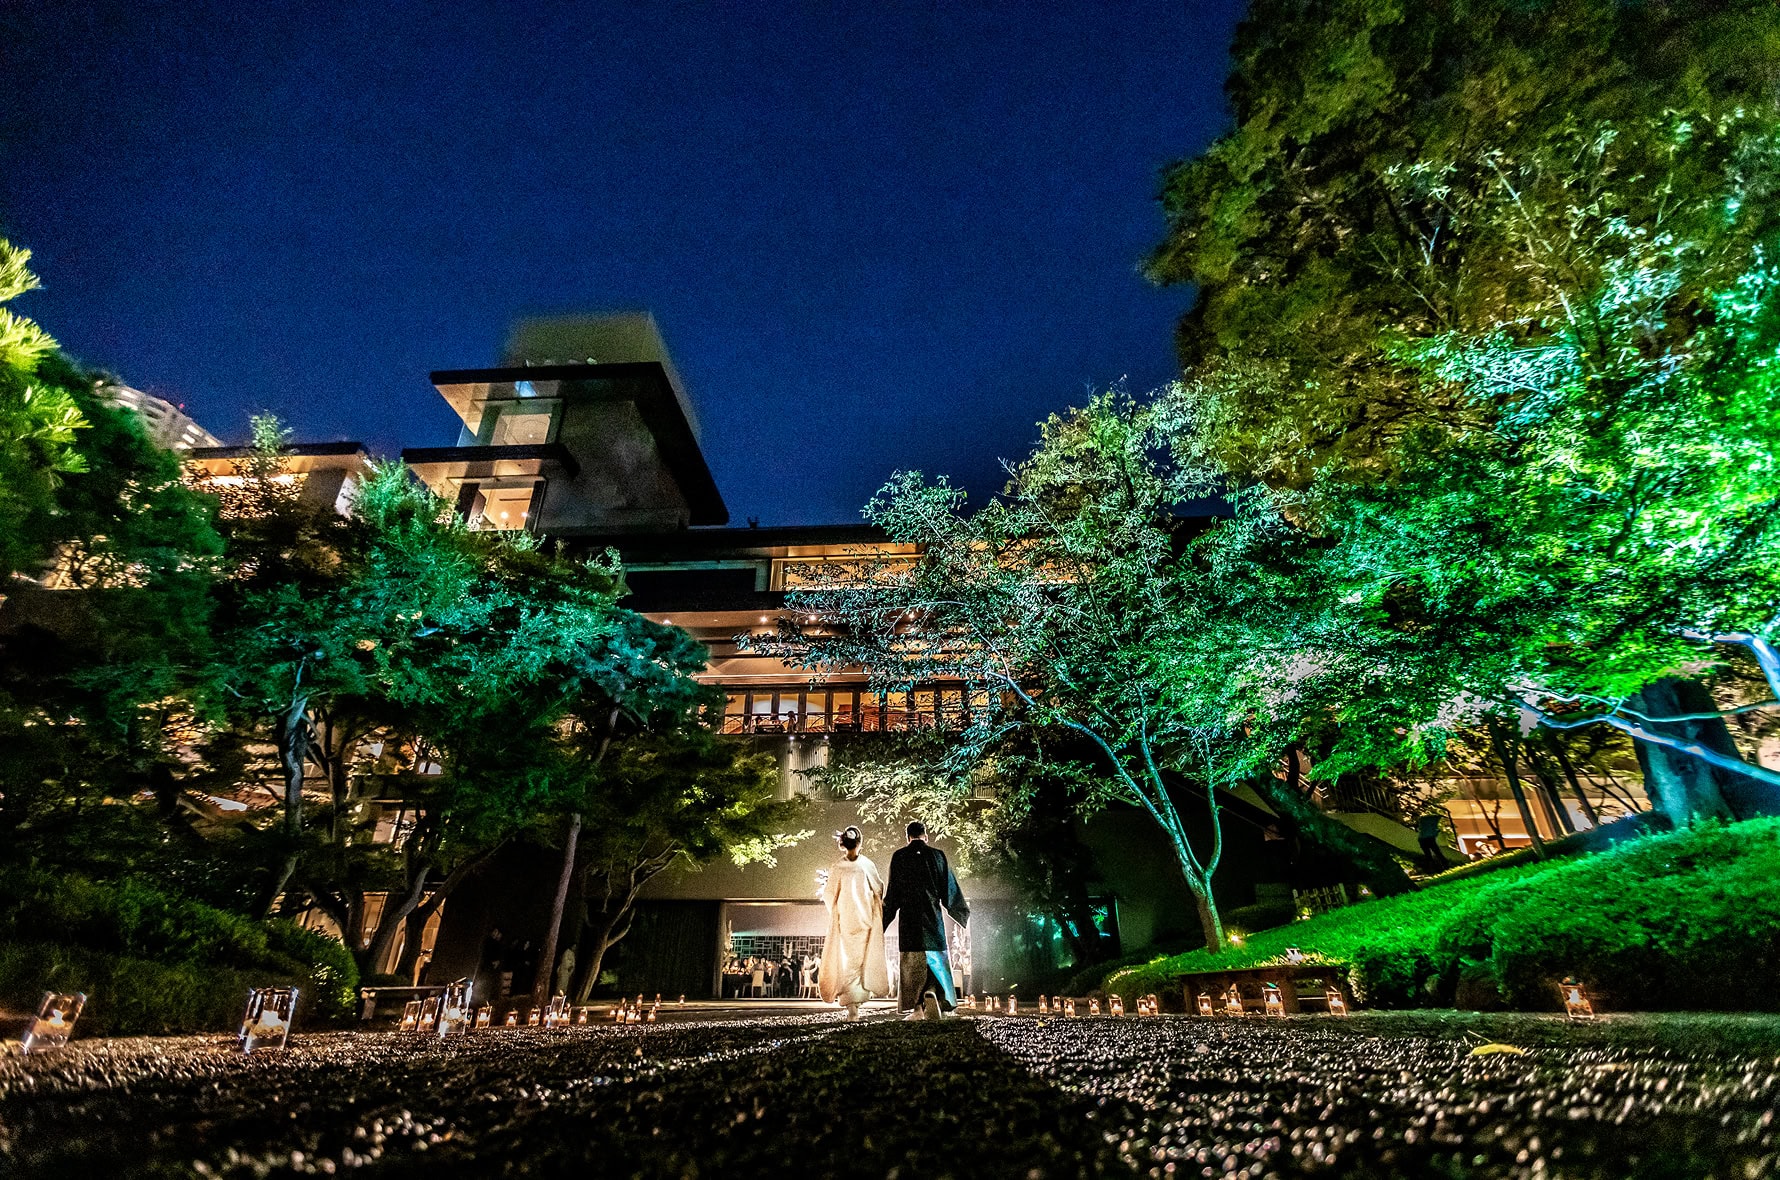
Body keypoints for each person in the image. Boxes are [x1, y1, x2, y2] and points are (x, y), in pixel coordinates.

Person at [882, 820, 968, 1020]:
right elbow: (949, 889)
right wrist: (960, 913)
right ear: (925, 836)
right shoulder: (938, 856)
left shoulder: (899, 857)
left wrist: (882, 921)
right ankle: (933, 993)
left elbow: (893, 894)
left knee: (912, 963)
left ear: (908, 837)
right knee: (935, 959)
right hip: (932, 918)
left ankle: (917, 1009)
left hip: (909, 921)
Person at [818, 825, 888, 1021]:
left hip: (849, 920)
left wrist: (836, 912)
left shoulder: (838, 867)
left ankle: (853, 1006)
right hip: (861, 919)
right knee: (857, 963)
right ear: (859, 843)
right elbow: (878, 888)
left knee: (850, 963)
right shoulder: (867, 865)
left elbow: (829, 895)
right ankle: (854, 1004)